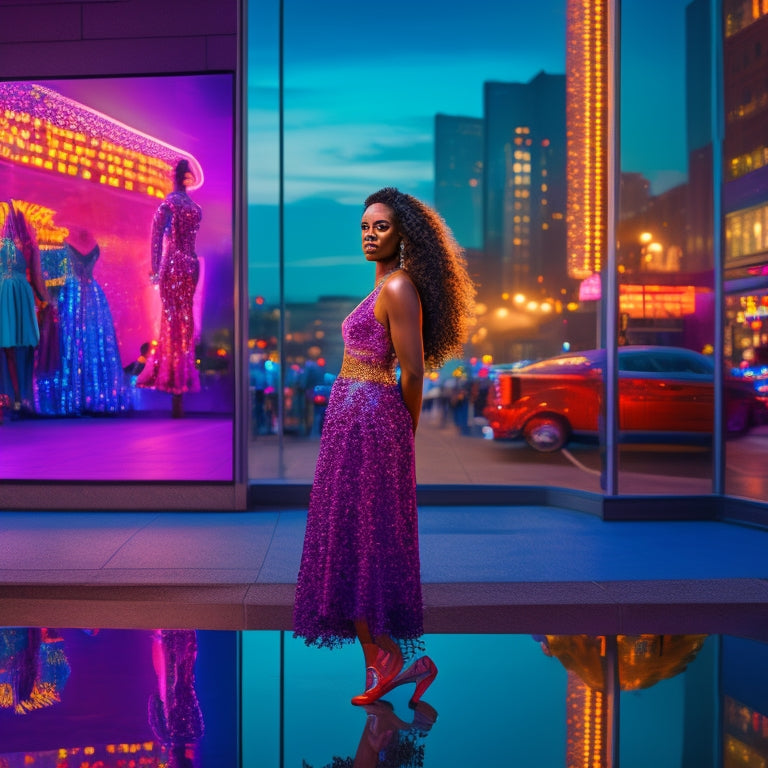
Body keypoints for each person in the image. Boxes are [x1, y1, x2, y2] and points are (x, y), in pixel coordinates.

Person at [293, 187, 475, 706]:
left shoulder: (398, 287)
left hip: (374, 418)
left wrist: (405, 430)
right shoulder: (380, 286)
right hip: (352, 417)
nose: (370, 236)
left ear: (404, 235)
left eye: (382, 227)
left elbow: (414, 370)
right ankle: (394, 662)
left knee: (360, 537)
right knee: (351, 536)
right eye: (365, 228)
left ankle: (388, 661)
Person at [137, 159, 202, 418]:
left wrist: (154, 271)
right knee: (183, 323)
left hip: (174, 264)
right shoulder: (195, 208)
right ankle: (179, 381)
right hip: (191, 264)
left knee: (173, 322)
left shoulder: (169, 204)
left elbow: (155, 238)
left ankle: (174, 381)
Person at [0, 201, 50, 419]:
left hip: (4, 292)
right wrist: (47, 303)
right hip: (23, 293)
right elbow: (38, 280)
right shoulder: (31, 245)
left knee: (8, 348)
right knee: (27, 348)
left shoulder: (1, 244)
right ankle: (26, 398)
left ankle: (14, 398)